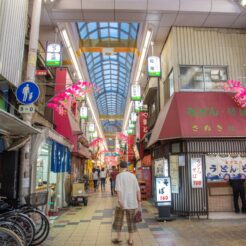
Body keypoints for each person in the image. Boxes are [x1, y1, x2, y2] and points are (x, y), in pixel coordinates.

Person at [112, 161, 141, 246]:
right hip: (132, 202)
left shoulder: (119, 176)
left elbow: (118, 189)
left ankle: (118, 238)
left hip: (121, 203)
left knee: (118, 220)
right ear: (127, 167)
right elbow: (137, 189)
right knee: (131, 221)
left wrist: (120, 201)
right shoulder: (133, 176)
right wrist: (139, 202)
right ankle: (131, 240)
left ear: (120, 167)